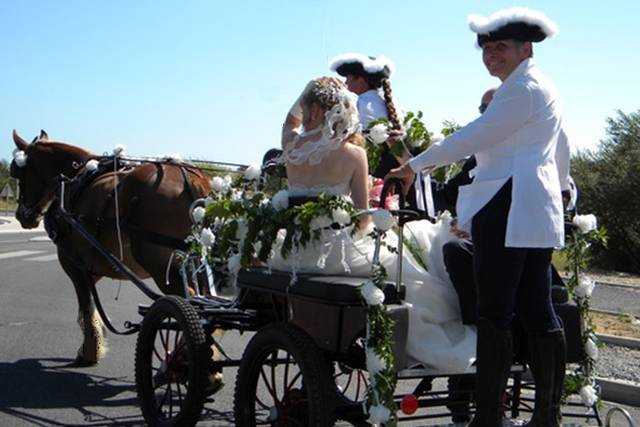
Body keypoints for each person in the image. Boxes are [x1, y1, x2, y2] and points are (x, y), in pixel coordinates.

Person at [386, 7, 570, 427]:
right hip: (534, 208)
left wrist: (415, 165)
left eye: (500, 47)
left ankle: (488, 417)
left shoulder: (521, 88)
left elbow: (474, 135)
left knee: (495, 314)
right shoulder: (542, 87)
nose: (491, 56)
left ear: (526, 48)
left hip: (506, 206)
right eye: (486, 49)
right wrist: (560, 193)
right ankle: (546, 416)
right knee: (537, 312)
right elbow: (562, 150)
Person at [271, 76, 477, 372]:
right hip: (337, 256)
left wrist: (310, 89)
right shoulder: (354, 154)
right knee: (417, 244)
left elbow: (289, 120)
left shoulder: (291, 147)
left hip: (295, 253)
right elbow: (363, 218)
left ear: (312, 109)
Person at [328, 53, 430, 213]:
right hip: (399, 176)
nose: (345, 82)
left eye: (349, 77)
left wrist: (407, 167)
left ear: (361, 80)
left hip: (381, 179)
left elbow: (389, 138)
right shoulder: (391, 104)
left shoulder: (363, 104)